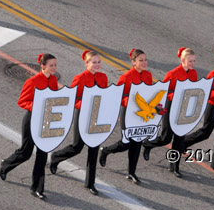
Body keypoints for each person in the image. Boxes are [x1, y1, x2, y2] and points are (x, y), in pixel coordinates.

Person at [0, 53, 58, 200]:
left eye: (55, 65)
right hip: (32, 119)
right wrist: (37, 106)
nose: (54, 68)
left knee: (42, 153)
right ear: (42, 66)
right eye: (51, 65)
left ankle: (37, 188)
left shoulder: (53, 81)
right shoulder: (32, 81)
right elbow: (22, 101)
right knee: (26, 152)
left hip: (45, 120)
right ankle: (6, 164)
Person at [49, 50, 108, 196]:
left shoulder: (103, 77)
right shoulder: (80, 78)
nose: (97, 65)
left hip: (96, 116)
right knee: (77, 147)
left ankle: (90, 183)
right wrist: (86, 105)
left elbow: (105, 95)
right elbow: (73, 99)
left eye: (99, 62)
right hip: (82, 114)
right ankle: (56, 157)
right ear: (86, 63)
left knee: (94, 148)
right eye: (93, 62)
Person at [99, 48, 153, 184]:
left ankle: (131, 173)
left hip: (141, 114)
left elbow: (149, 93)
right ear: (133, 62)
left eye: (145, 60)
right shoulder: (126, 77)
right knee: (126, 142)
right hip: (128, 112)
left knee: (137, 143)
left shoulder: (147, 75)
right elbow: (118, 97)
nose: (144, 62)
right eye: (141, 60)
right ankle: (106, 151)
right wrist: (130, 102)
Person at [142, 47, 197, 178]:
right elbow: (163, 91)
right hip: (172, 105)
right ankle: (148, 144)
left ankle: (174, 167)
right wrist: (176, 94)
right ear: (182, 60)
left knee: (180, 138)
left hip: (183, 107)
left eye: (194, 61)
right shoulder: (173, 74)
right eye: (190, 61)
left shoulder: (193, 73)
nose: (193, 64)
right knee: (166, 137)